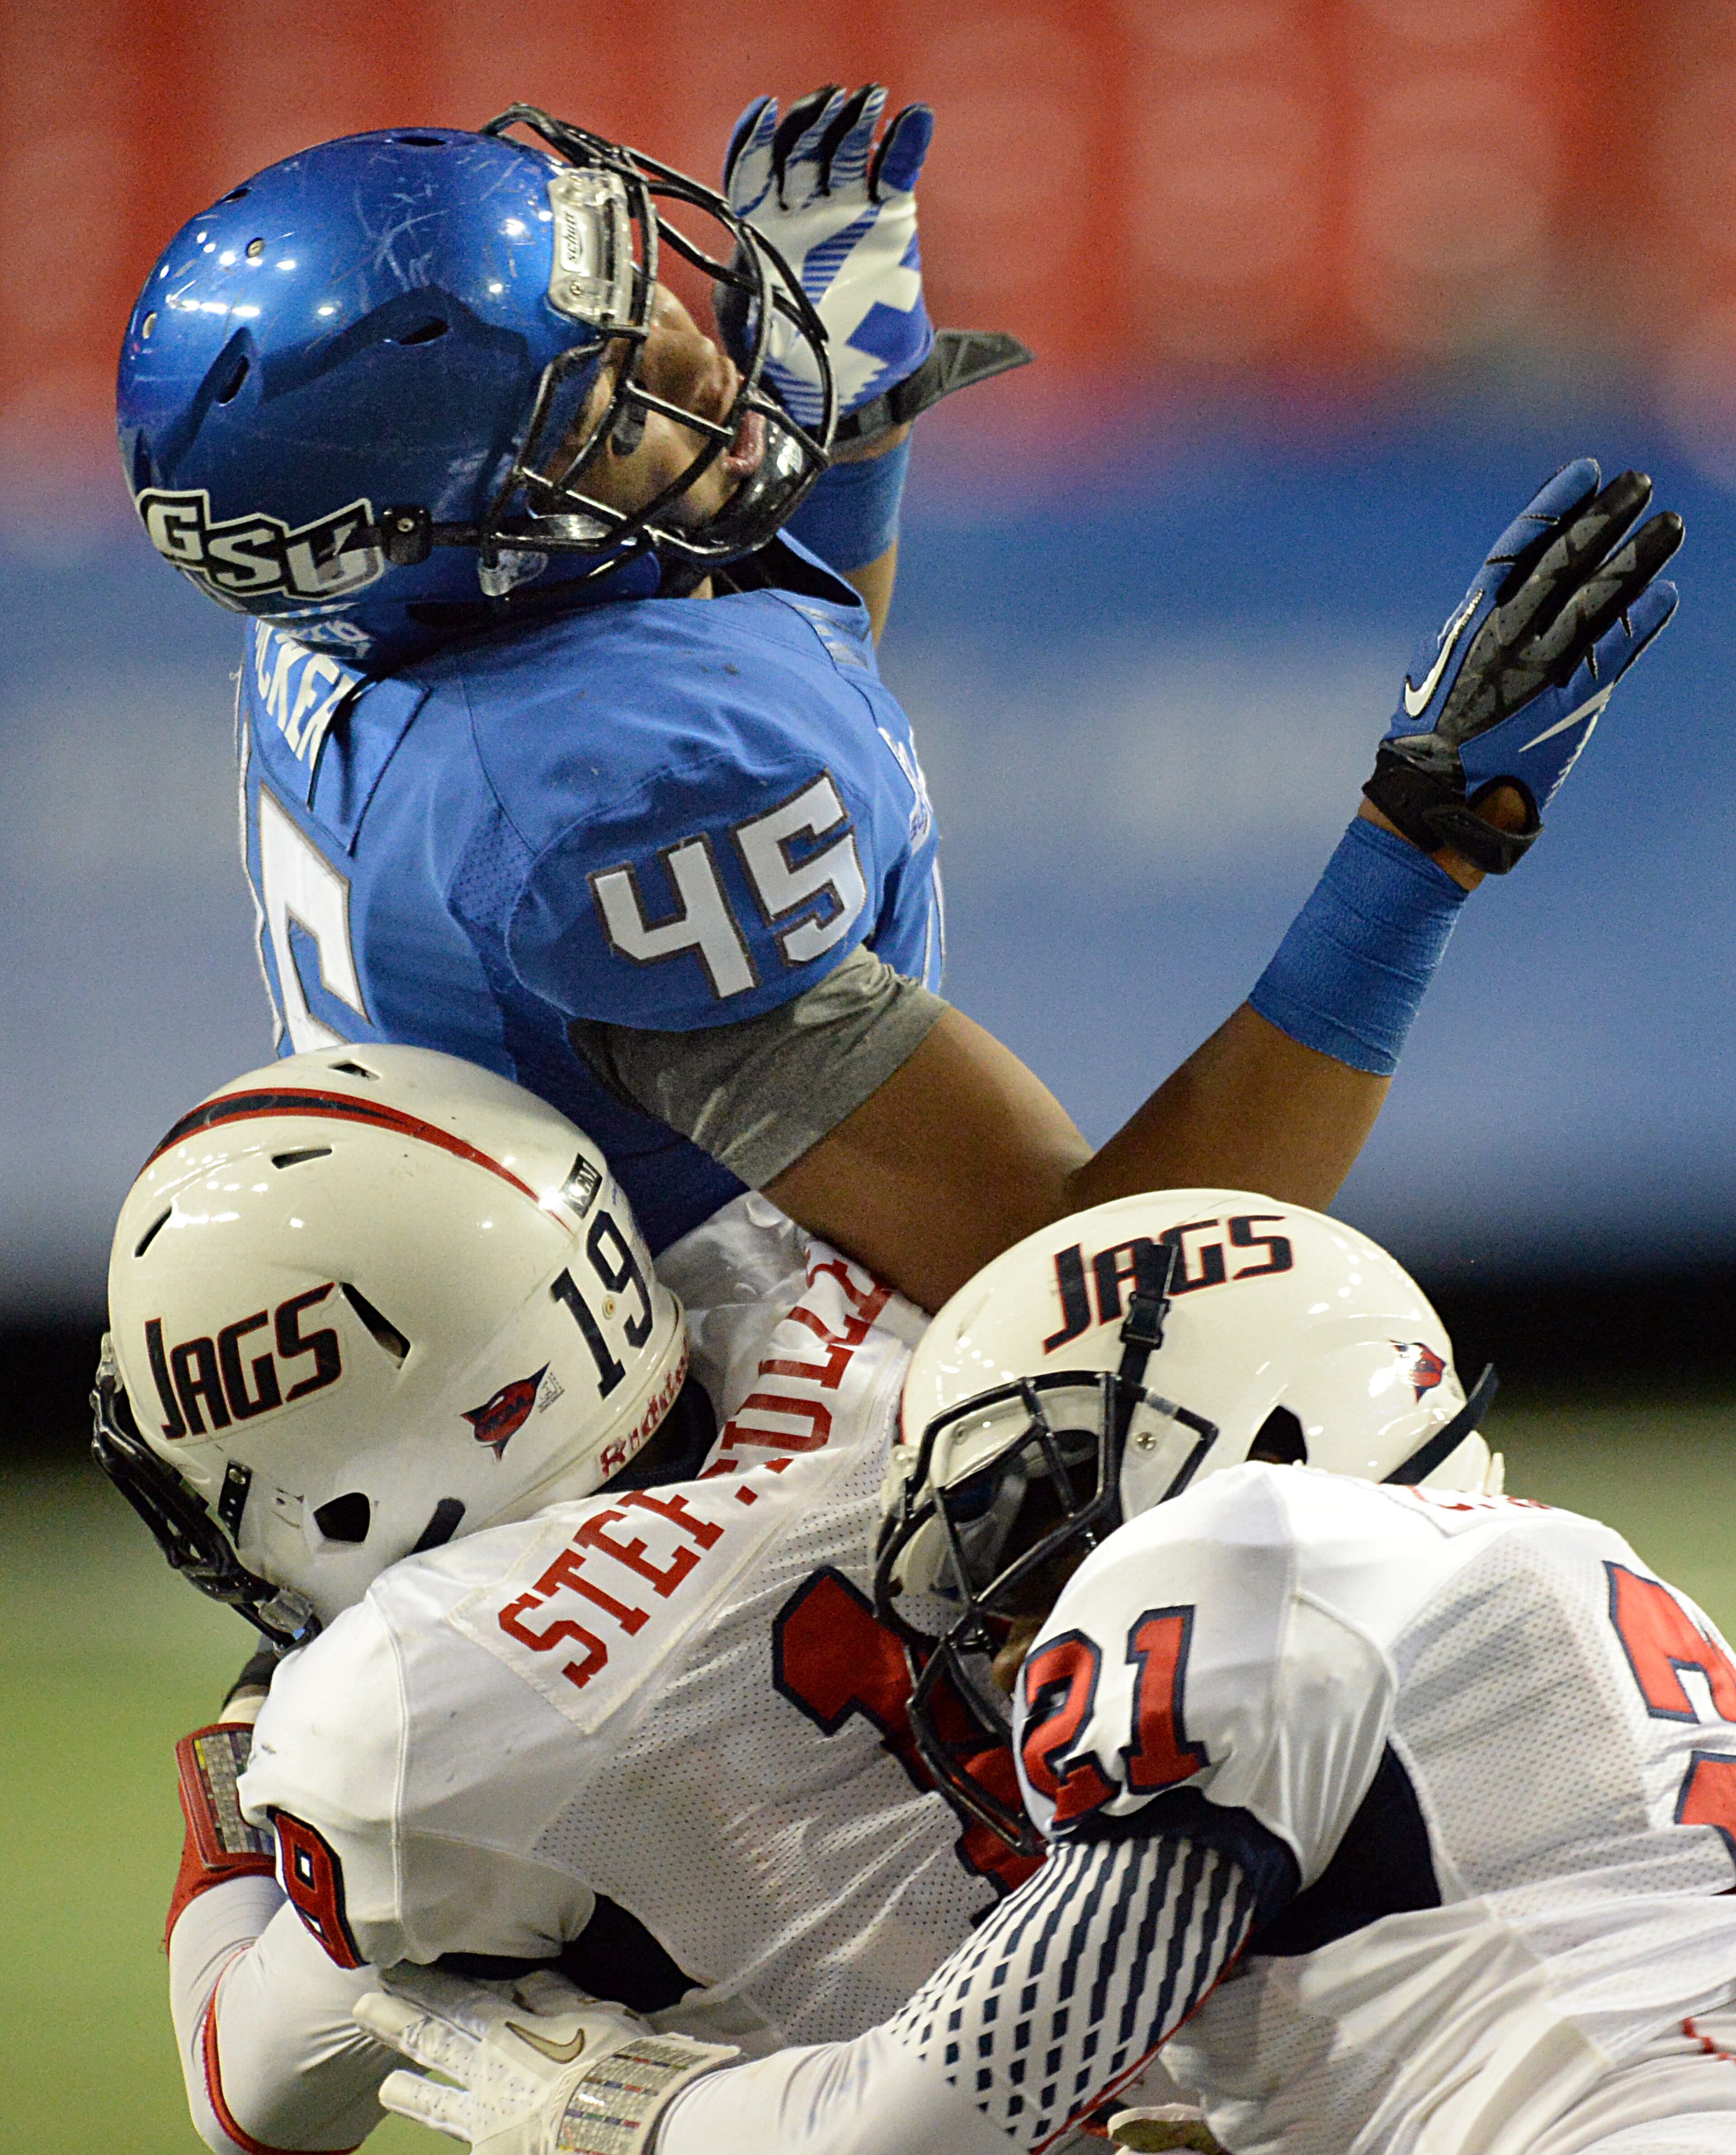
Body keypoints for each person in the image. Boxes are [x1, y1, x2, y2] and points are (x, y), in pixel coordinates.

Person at [115, 88, 1685, 1311]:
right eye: (604, 409)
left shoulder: (382, 608)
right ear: (483, 542)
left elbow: (744, 653)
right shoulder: (601, 798)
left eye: (625, 276)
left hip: (564, 1334)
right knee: (1313, 1399)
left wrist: (835, 438)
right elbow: (1097, 1277)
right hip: (724, 1500)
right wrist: (1421, 848)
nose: (689, 342)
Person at [98, 1045, 1491, 2154]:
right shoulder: (860, 1294)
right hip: (1401, 2038)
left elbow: (250, 2093)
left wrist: (264, 1688)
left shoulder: (436, 1692)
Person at [363, 1193, 1736, 2155]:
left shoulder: (1251, 1544)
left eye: (1026, 1506)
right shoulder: (1590, 1587)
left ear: (1253, 1422)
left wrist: (614, 2109)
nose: (995, 1616)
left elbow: (903, 2133)